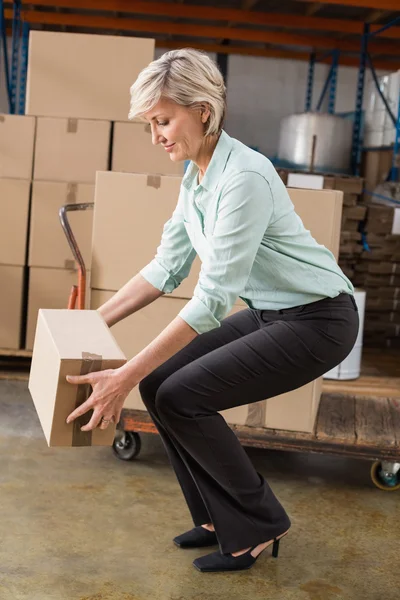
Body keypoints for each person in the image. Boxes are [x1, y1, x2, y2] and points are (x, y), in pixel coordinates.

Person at [65, 48, 359, 574]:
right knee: (160, 387)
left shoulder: (244, 177)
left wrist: (125, 374)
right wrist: (93, 323)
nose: (155, 135)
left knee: (178, 393)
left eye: (163, 120)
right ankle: (217, 518)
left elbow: (212, 299)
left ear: (202, 109)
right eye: (150, 124)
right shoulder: (197, 177)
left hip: (319, 320)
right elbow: (165, 269)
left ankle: (260, 524)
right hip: (274, 312)